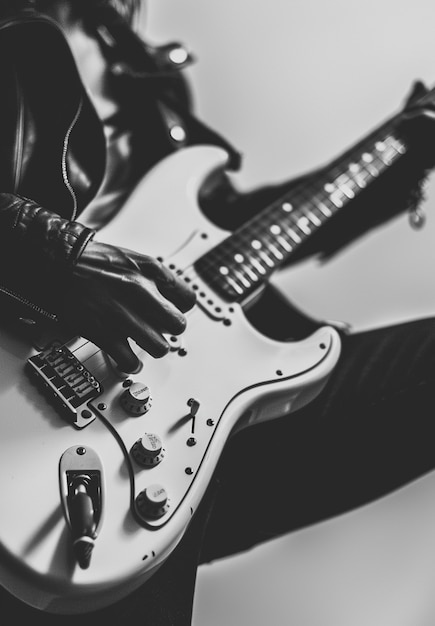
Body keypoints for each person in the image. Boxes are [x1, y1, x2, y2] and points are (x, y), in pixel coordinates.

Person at [1, 1, 435, 624]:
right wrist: (54, 252)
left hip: (198, 396)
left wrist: (399, 150)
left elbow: (232, 230)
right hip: (33, 377)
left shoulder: (142, 73)